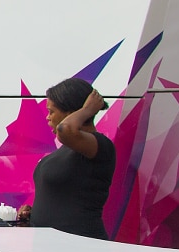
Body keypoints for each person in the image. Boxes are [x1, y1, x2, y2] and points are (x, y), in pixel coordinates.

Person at [24, 77, 114, 239]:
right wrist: (34, 212)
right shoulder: (66, 150)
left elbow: (64, 130)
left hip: (80, 244)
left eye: (52, 111)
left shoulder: (99, 145)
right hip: (51, 245)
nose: (47, 117)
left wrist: (88, 110)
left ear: (71, 113)